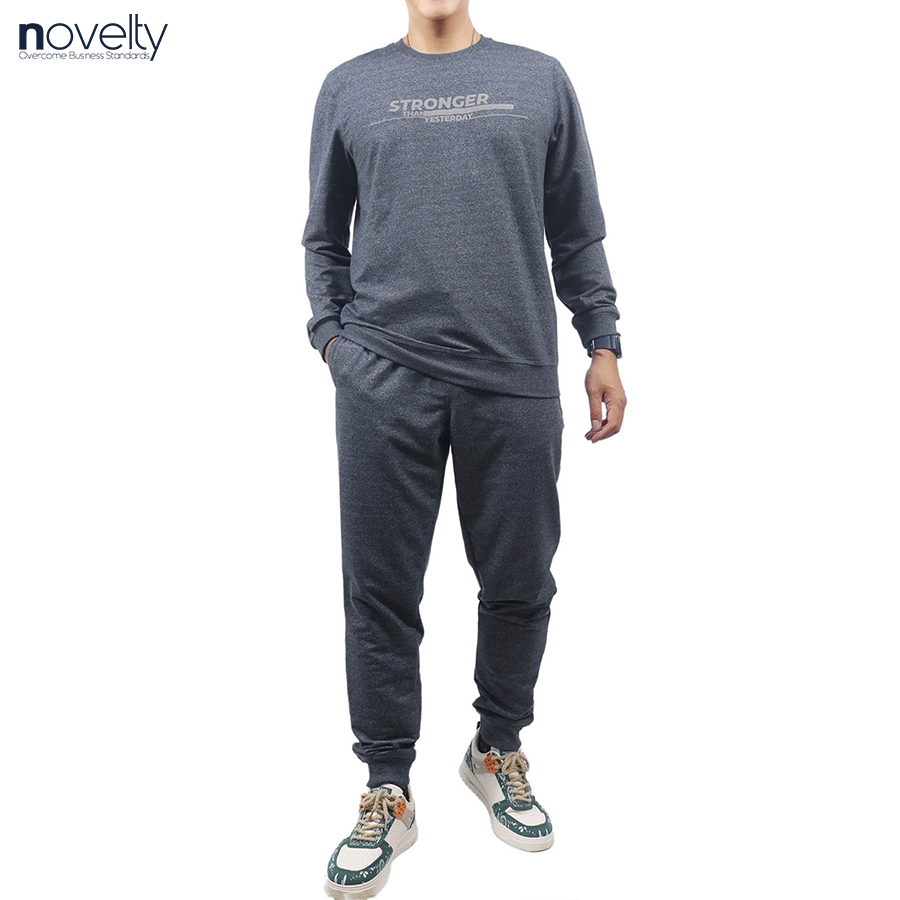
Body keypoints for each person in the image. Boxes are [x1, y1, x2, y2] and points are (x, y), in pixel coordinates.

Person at [303, 3, 627, 896]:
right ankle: (387, 787)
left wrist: (602, 342)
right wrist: (334, 342)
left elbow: (578, 229)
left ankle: (497, 748)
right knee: (379, 592)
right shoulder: (351, 87)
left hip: (513, 374)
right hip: (383, 379)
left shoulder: (540, 79)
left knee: (521, 581)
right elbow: (324, 237)